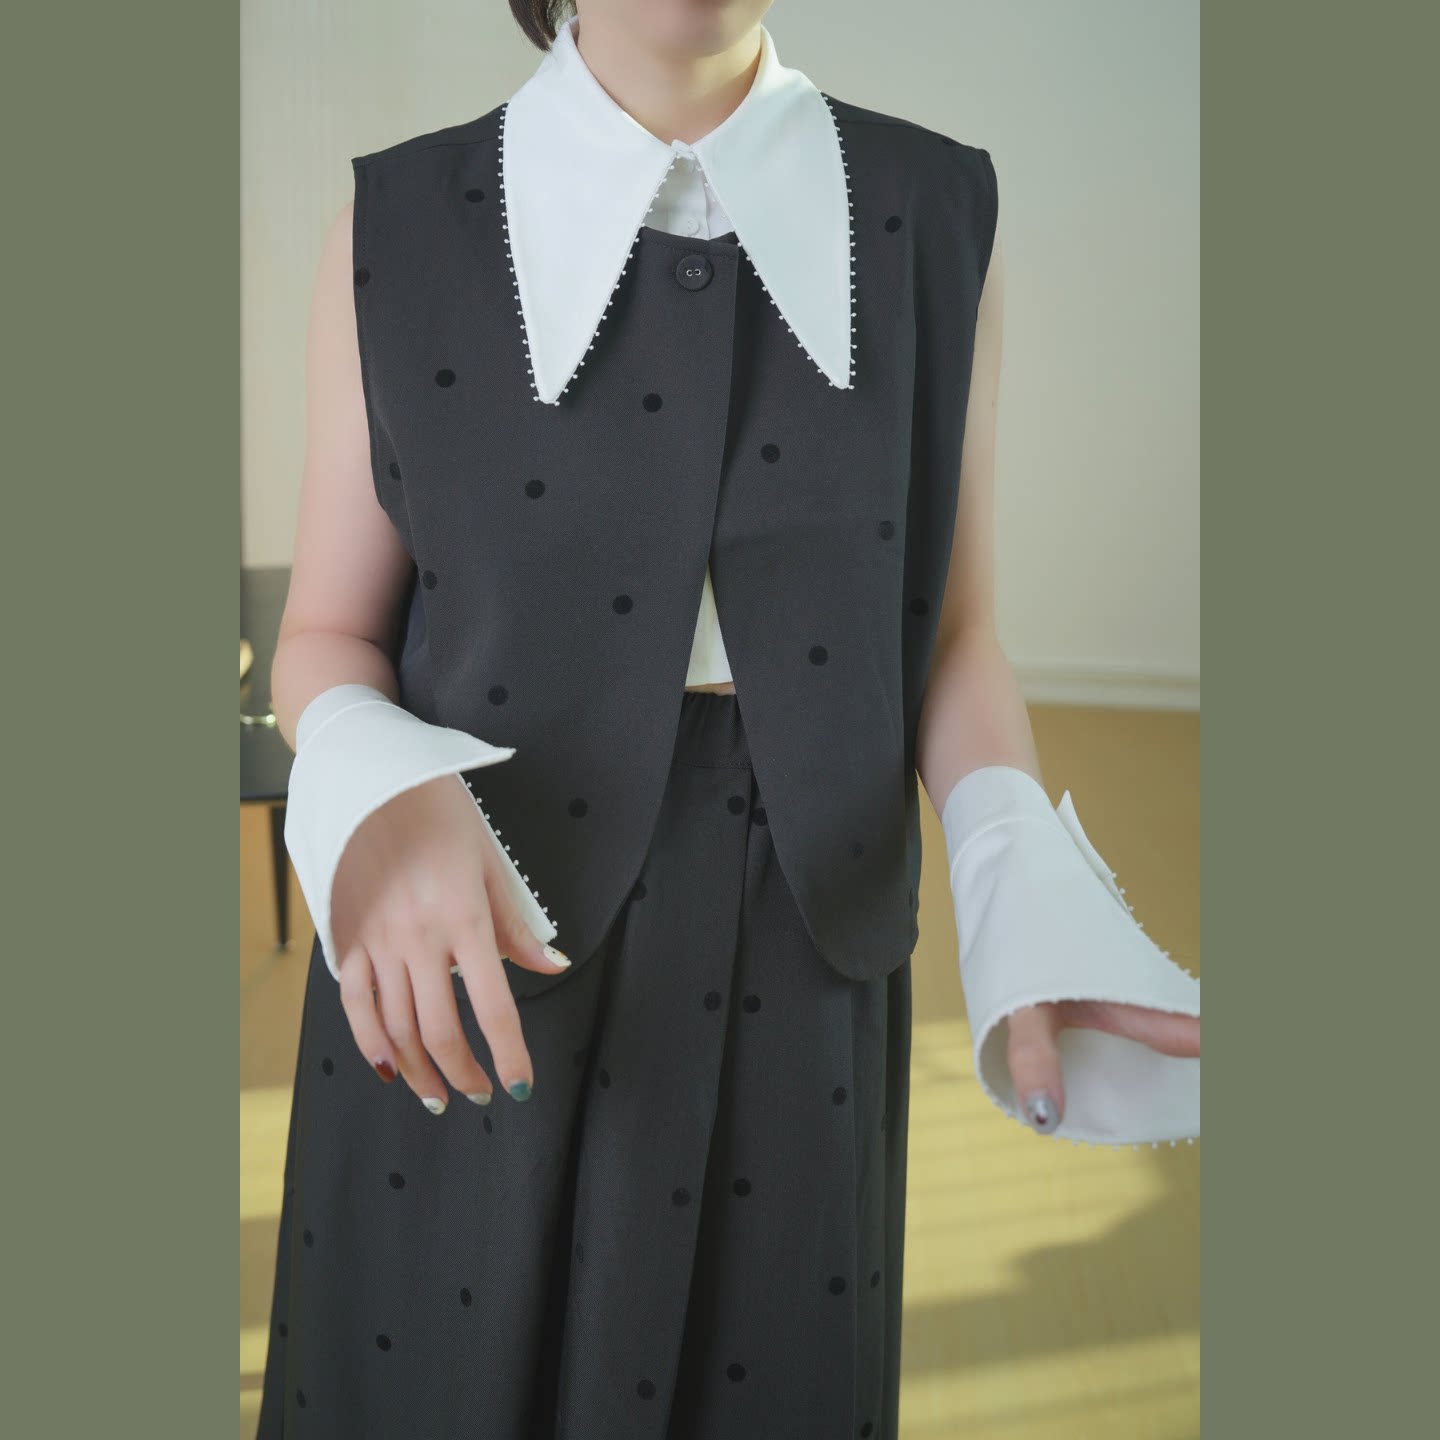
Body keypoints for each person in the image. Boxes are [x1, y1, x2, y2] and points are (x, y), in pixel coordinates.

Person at [256, 2, 1200, 1435]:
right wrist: (378, 786)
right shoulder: (398, 223)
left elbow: (950, 634)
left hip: (801, 968)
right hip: (462, 942)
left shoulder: (935, 214)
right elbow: (325, 634)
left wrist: (1024, 885)